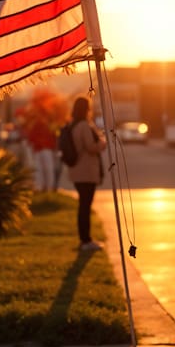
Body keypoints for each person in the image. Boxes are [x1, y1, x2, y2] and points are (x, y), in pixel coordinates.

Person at [68, 96, 106, 252]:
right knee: (85, 206)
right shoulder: (84, 125)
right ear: (86, 109)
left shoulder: (73, 125)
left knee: (83, 205)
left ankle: (85, 239)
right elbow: (90, 147)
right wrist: (102, 143)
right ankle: (86, 240)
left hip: (78, 171)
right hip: (86, 171)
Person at [25, 115, 58, 192]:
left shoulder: (50, 125)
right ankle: (40, 187)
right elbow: (31, 137)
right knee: (39, 170)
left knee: (48, 169)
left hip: (47, 149)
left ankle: (48, 188)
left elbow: (54, 137)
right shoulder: (36, 126)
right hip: (38, 149)